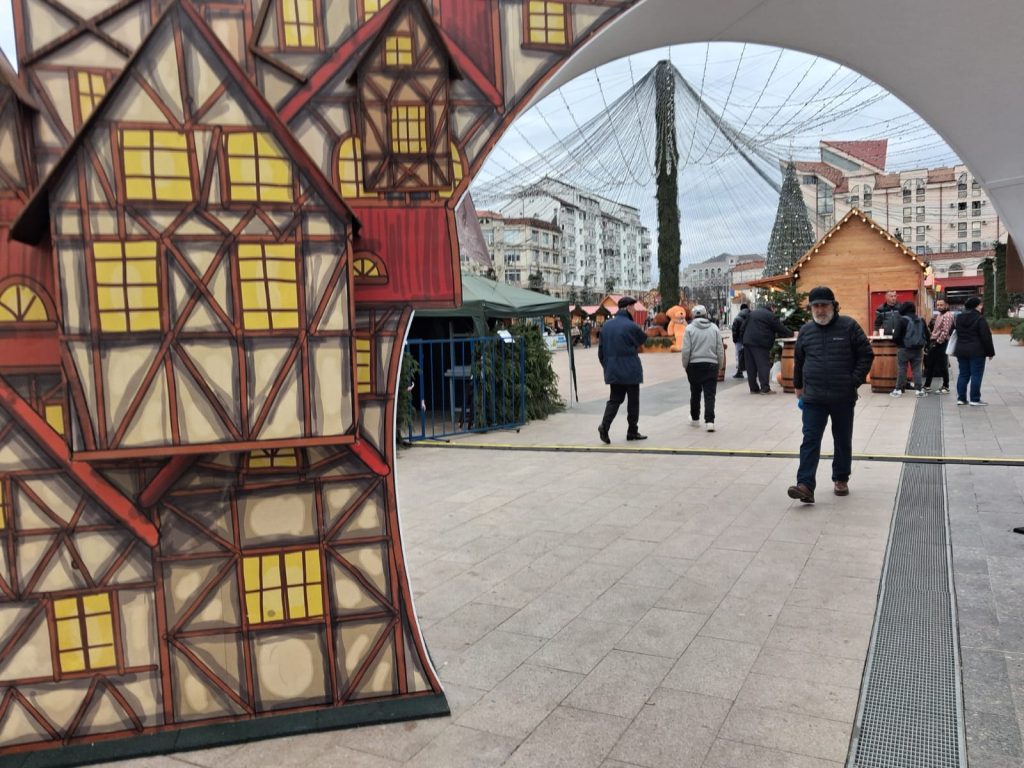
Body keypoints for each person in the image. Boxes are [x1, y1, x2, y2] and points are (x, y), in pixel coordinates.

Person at [788, 286, 874, 504]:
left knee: (842, 439)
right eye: (815, 306)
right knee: (810, 439)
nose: (820, 310)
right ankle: (805, 485)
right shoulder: (806, 330)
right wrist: (798, 386)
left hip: (842, 397)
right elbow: (799, 360)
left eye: (824, 305)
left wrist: (853, 381)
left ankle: (841, 478)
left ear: (833, 306)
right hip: (813, 397)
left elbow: (866, 353)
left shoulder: (849, 326)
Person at [597, 296, 648, 443]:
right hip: (631, 370)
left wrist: (609, 366)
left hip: (614, 370)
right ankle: (632, 431)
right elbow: (642, 342)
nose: (634, 310)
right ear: (628, 308)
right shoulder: (632, 326)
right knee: (633, 402)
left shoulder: (606, 326)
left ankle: (604, 426)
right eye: (633, 307)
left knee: (615, 400)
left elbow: (601, 353)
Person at [682, 304, 726, 432]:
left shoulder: (689, 329)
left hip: (694, 365)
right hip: (711, 365)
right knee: (710, 394)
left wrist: (685, 365)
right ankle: (710, 422)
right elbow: (720, 349)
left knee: (695, 393)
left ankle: (695, 418)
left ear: (693, 315)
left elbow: (686, 350)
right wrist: (720, 365)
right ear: (706, 315)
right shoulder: (714, 328)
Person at [953, 296, 995, 406]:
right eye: (980, 304)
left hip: (961, 350)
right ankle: (975, 399)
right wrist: (990, 352)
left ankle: (961, 399)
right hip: (977, 351)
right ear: (976, 306)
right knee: (976, 375)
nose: (982, 307)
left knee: (963, 374)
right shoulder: (980, 318)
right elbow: (986, 337)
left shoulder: (959, 317)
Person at [741, 301, 790, 394]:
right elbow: (779, 327)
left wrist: (743, 339)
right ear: (771, 307)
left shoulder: (753, 313)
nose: (775, 311)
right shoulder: (770, 315)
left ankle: (753, 388)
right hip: (760, 343)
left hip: (747, 342)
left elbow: (743, 327)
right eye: (775, 309)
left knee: (751, 366)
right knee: (763, 365)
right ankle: (765, 388)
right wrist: (791, 333)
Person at [890, 301, 927, 397]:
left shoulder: (902, 320)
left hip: (904, 349)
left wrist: (899, 344)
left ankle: (898, 390)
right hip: (918, 349)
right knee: (917, 369)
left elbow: (895, 336)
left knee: (902, 369)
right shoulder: (921, 320)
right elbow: (927, 335)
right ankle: (919, 390)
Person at [923, 298, 954, 393]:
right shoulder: (940, 315)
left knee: (942, 365)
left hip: (941, 343)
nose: (939, 307)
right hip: (935, 341)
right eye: (938, 305)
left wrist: (937, 343)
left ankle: (946, 386)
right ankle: (927, 385)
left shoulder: (947, 315)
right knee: (931, 364)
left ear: (946, 305)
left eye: (941, 305)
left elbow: (945, 331)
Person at [730, 303, 750, 379]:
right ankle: (752, 372)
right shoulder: (751, 317)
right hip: (750, 340)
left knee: (739, 355)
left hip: (739, 340)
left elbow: (734, 330)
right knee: (749, 356)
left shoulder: (737, 318)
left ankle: (739, 372)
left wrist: (735, 340)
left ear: (740, 309)